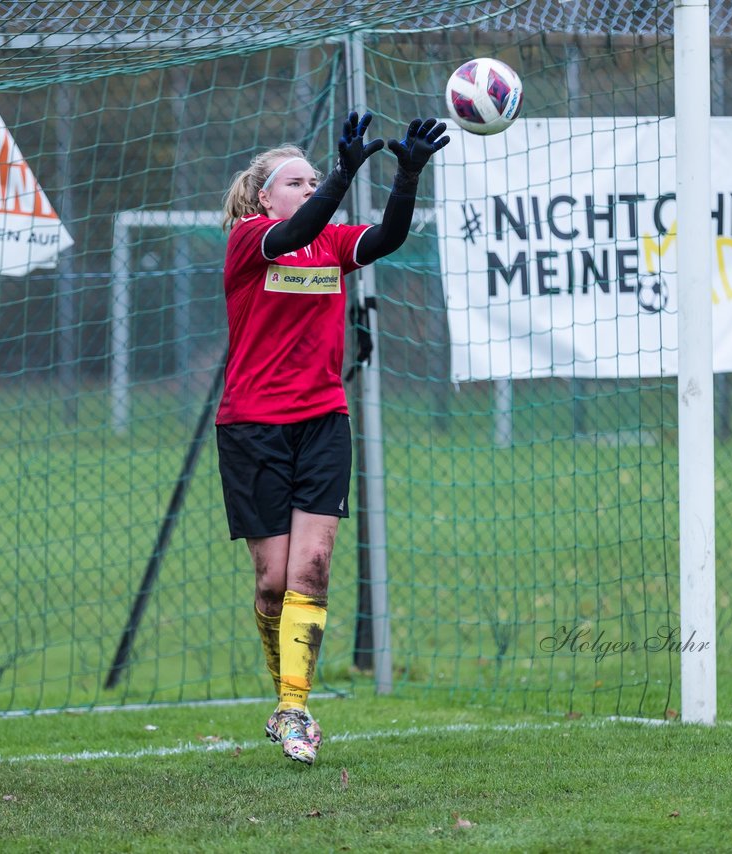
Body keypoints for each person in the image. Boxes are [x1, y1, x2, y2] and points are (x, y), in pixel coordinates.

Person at [216, 111, 449, 765]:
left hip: (322, 419)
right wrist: (345, 174)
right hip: (252, 427)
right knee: (271, 584)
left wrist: (407, 174)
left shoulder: (329, 246)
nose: (308, 186)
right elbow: (300, 226)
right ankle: (287, 695)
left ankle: (293, 707)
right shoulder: (251, 240)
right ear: (265, 196)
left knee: (311, 568)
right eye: (297, 180)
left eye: (313, 177)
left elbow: (387, 237)